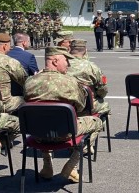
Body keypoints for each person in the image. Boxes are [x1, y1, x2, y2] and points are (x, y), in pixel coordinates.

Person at [24, 46, 103, 182]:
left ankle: (47, 165)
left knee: (43, 119)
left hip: (37, 134)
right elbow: (80, 107)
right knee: (97, 122)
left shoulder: (29, 82)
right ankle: (72, 166)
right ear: (55, 61)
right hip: (65, 134)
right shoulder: (70, 82)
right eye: (66, 60)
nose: (68, 64)